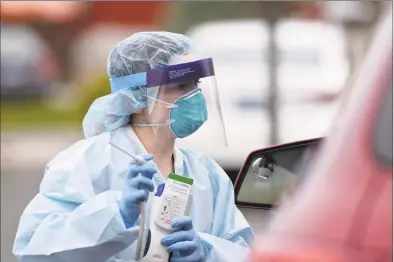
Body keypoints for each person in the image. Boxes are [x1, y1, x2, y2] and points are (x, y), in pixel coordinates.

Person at [13, 32, 254, 262]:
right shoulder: (85, 163)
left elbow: (243, 249)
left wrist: (207, 252)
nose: (195, 95)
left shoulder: (206, 174)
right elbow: (34, 249)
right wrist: (116, 214)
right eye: (180, 86)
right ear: (137, 97)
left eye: (196, 83)